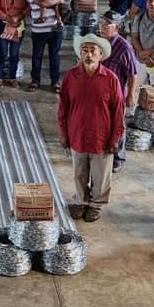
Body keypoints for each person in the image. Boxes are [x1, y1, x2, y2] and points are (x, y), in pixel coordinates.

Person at [57, 34, 125, 223]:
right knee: (79, 172)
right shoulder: (71, 77)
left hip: (101, 136)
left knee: (100, 174)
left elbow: (119, 111)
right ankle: (81, 201)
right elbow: (63, 107)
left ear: (100, 54)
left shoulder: (111, 79)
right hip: (77, 134)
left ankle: (96, 204)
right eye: (84, 51)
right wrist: (63, 133)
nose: (88, 55)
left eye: (92, 51)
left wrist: (115, 139)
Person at [98, 10, 138, 172]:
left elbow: (132, 74)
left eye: (107, 24)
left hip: (117, 94)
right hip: (99, 92)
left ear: (117, 27)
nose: (102, 27)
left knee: (117, 125)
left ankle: (118, 157)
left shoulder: (124, 47)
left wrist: (131, 95)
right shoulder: (99, 42)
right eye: (101, 23)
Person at [25, 0, 65, 93]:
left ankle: (55, 82)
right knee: (37, 56)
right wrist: (58, 0)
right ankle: (35, 81)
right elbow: (43, 3)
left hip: (56, 28)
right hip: (39, 30)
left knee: (55, 56)